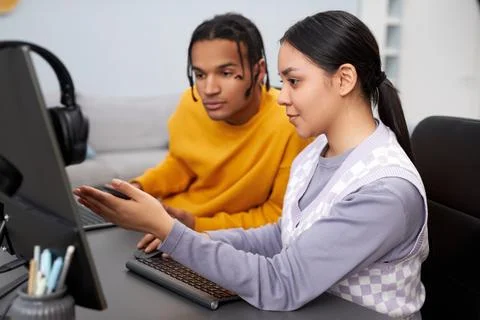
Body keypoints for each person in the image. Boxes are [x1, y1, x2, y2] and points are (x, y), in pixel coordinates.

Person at [74, 10, 428, 318]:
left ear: (344, 79)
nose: (282, 97)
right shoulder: (316, 151)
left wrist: (174, 234)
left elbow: (282, 283)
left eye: (293, 81)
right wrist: (196, 241)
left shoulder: (385, 192)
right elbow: (281, 235)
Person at [130, 13, 308, 252]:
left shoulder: (292, 123)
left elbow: (277, 218)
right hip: (164, 223)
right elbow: (181, 164)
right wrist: (139, 188)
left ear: (259, 71)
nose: (208, 89)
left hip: (220, 241)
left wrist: (195, 225)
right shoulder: (190, 103)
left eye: (225, 73)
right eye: (200, 75)